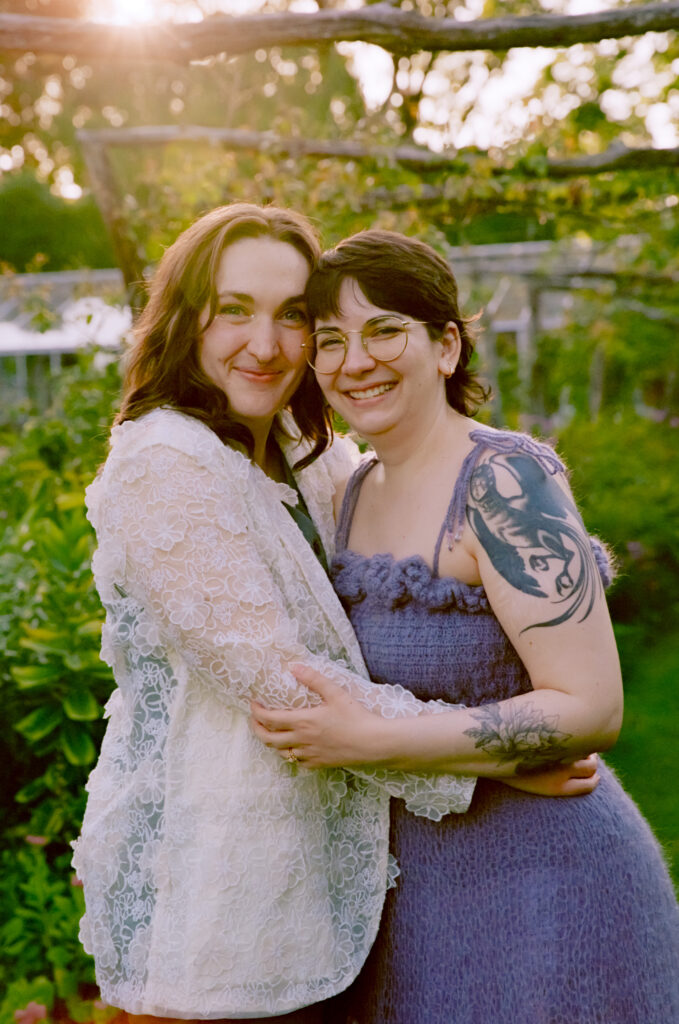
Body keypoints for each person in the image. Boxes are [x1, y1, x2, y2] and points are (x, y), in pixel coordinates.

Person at [72, 204, 597, 1024]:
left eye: (292, 317)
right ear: (184, 319)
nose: (266, 343)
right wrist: (496, 760)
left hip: (334, 900)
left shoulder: (304, 454)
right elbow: (290, 693)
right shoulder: (163, 462)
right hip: (223, 907)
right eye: (234, 310)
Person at [251, 228, 679, 1024]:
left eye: (384, 330)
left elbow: (590, 707)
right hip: (419, 895)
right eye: (332, 340)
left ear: (446, 345)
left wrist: (372, 740)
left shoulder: (503, 479)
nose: (353, 361)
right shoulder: (352, 491)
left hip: (551, 889)